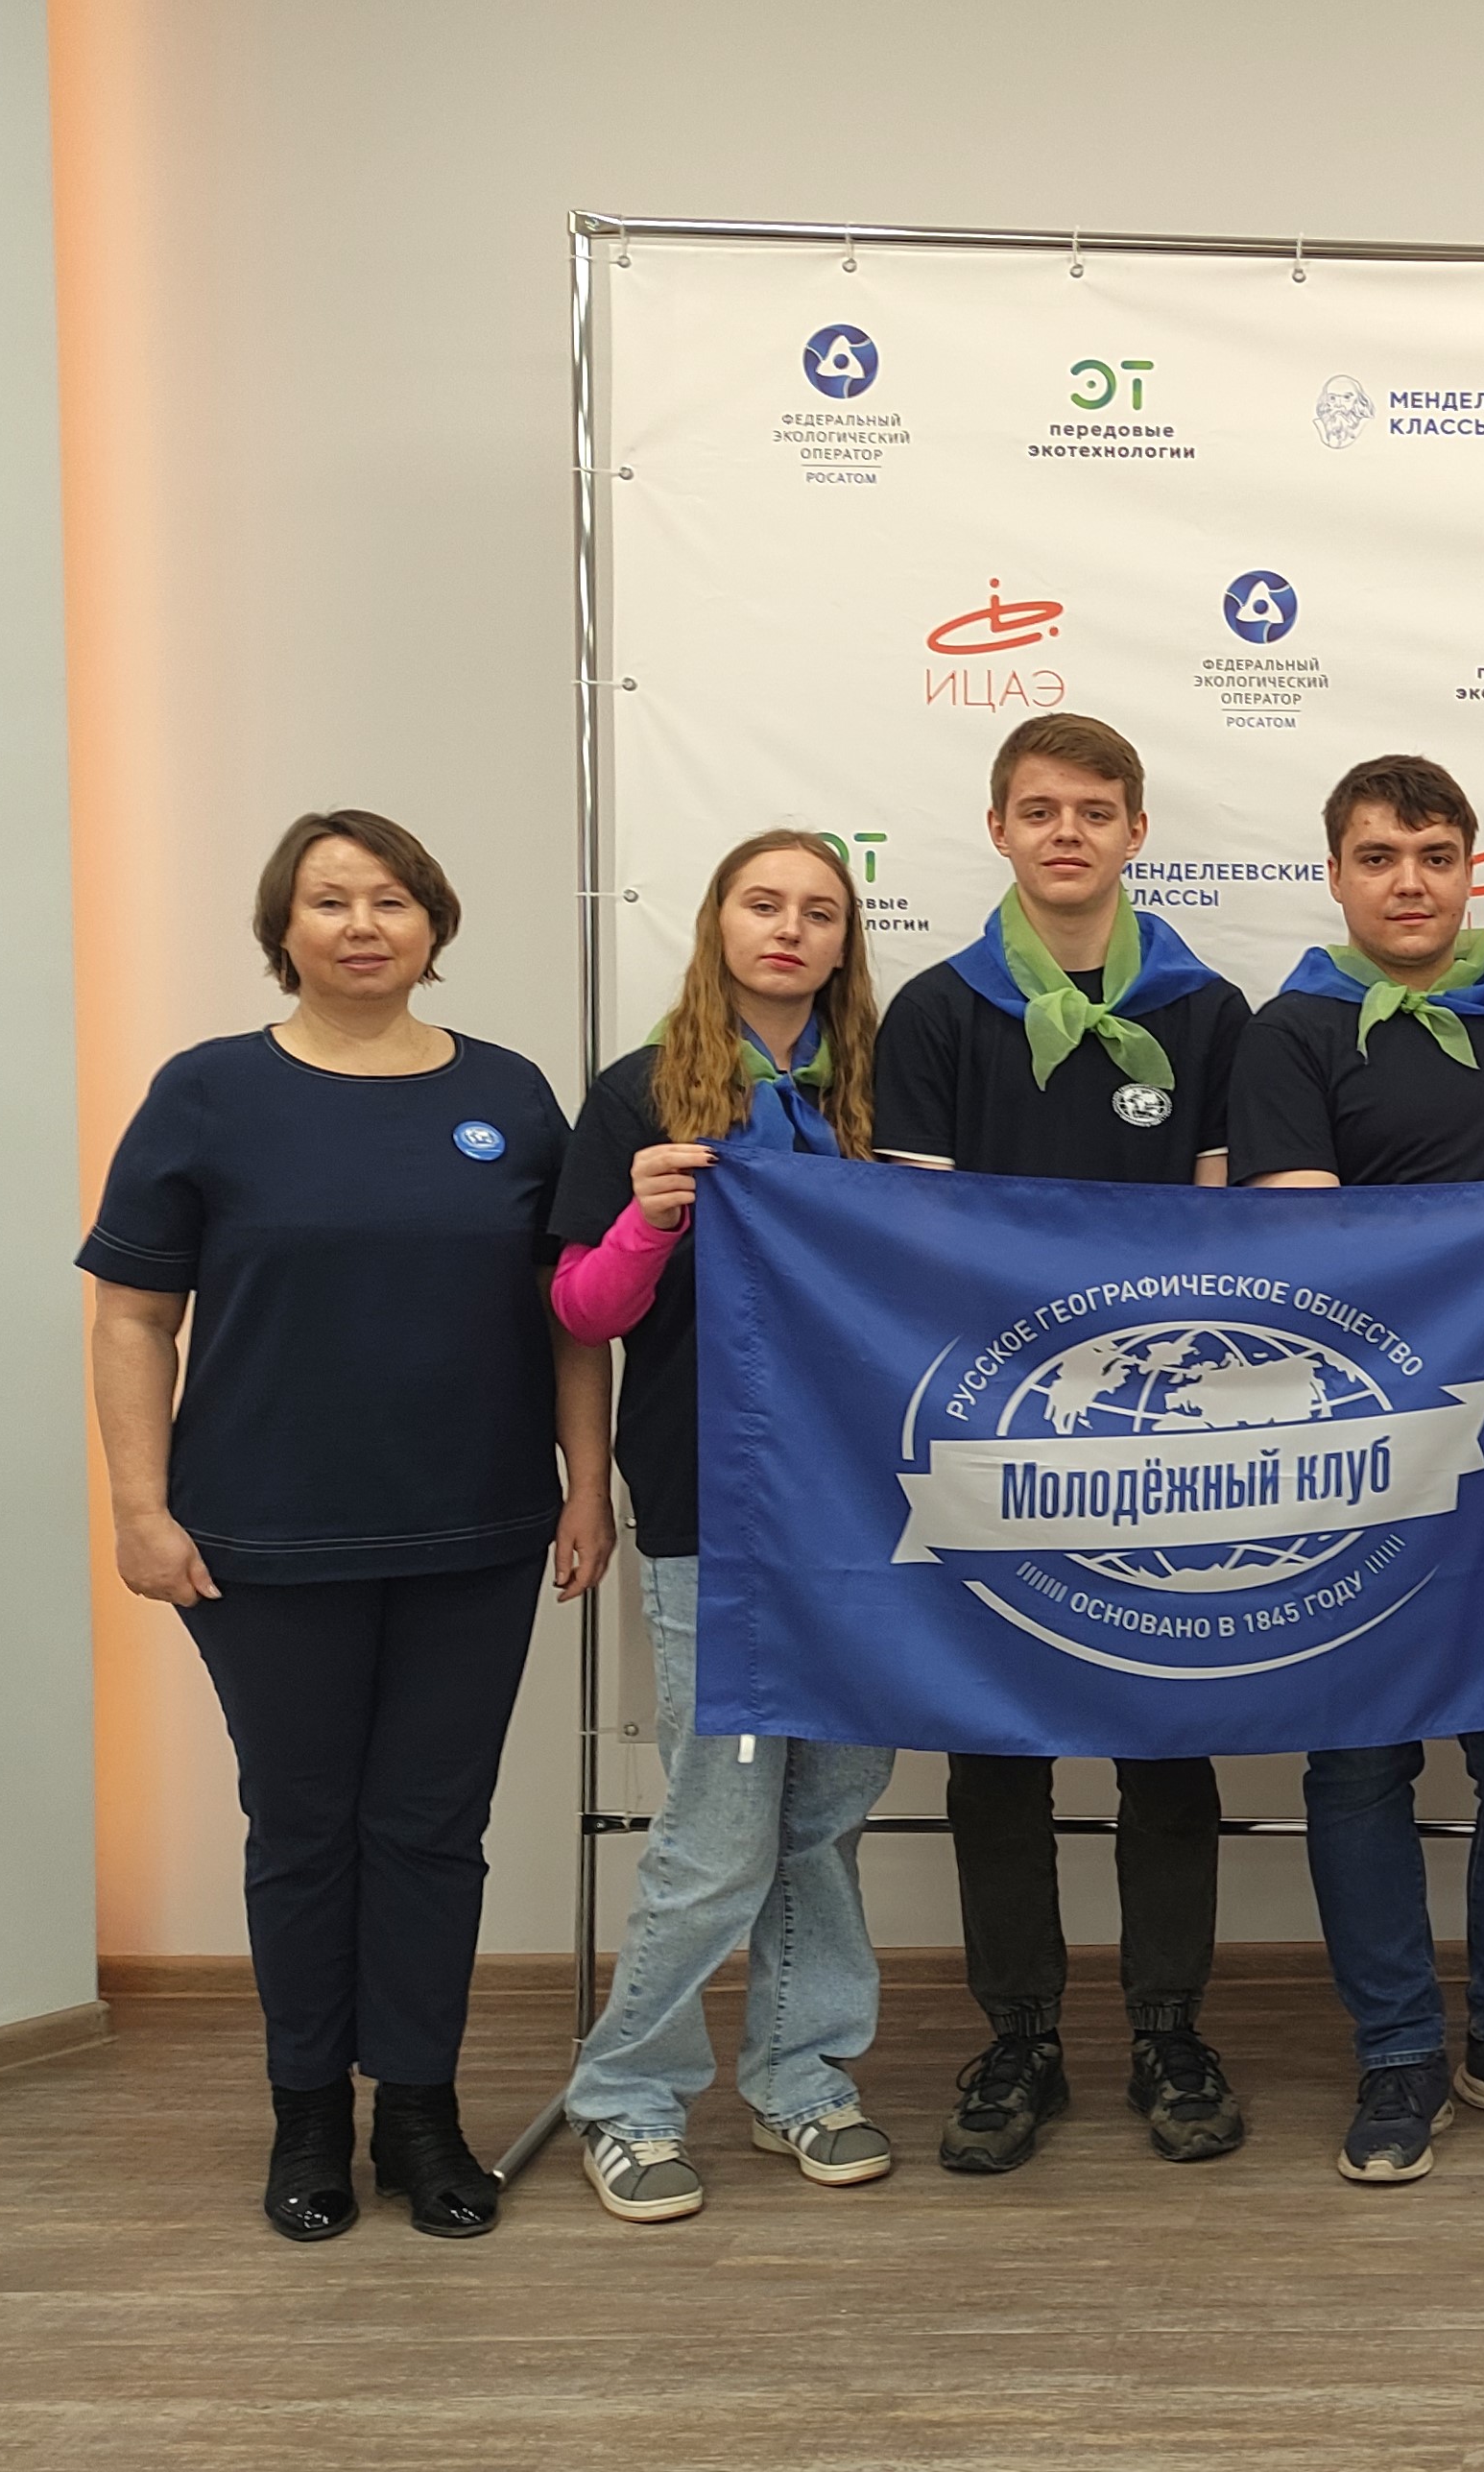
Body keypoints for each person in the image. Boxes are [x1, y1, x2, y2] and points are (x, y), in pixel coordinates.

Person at [79, 811, 614, 2243]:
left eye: (390, 900)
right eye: (329, 901)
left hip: (476, 1531)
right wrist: (138, 1507)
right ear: (284, 930)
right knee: (304, 1826)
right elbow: (133, 1316)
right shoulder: (209, 1092)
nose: (362, 925)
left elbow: (571, 1315)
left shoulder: (509, 1092)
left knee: (433, 1828)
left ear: (433, 924)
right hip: (263, 1539)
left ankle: (422, 2115)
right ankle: (309, 2116)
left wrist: (585, 1483)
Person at [873, 713, 1254, 2173]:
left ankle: (1170, 2027)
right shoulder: (935, 1013)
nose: (1068, 835)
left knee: (1167, 1737)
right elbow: (915, 1243)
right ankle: (1019, 2035)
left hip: (1159, 1434)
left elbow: (1224, 1241)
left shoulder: (1207, 1012)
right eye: (1039, 811)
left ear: (1136, 832)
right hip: (995, 1428)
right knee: (996, 1743)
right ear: (999, 829)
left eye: (1095, 811)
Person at [1231, 754, 1484, 2184]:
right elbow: (1306, 1253)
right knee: (1359, 1760)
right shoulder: (1290, 1034)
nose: (1410, 883)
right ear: (1335, 873)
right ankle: (1395, 2049)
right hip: (1355, 1461)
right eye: (1380, 857)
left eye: (1436, 856)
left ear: (1471, 870)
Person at [549, 831, 898, 2223]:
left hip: (871, 1515)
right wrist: (645, 1222)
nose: (790, 928)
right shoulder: (641, 1091)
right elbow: (581, 1310)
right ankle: (626, 2100)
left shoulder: (879, 1089)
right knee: (718, 1830)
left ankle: (802, 2076)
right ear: (717, 922)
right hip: (718, 1509)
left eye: (820, 910)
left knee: (827, 1817)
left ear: (845, 940)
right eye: (765, 903)